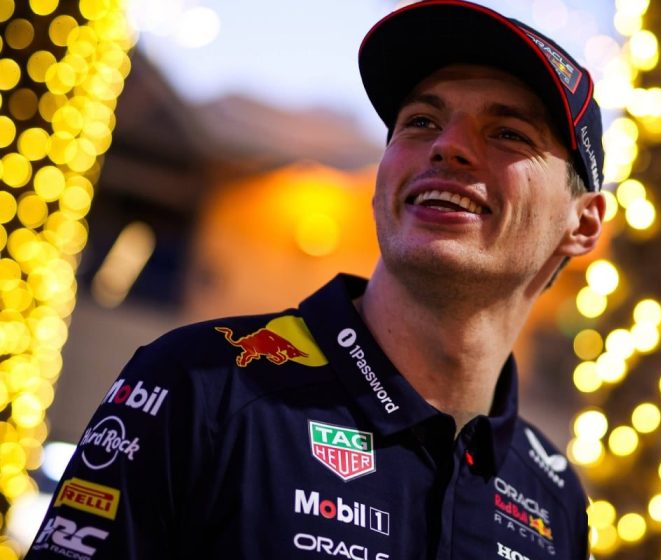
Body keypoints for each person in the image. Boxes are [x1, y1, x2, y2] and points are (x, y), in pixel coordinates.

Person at [27, 1, 606, 558]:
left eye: (509, 133)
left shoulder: (553, 500)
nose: (447, 146)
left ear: (582, 224)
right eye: (421, 122)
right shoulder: (200, 385)